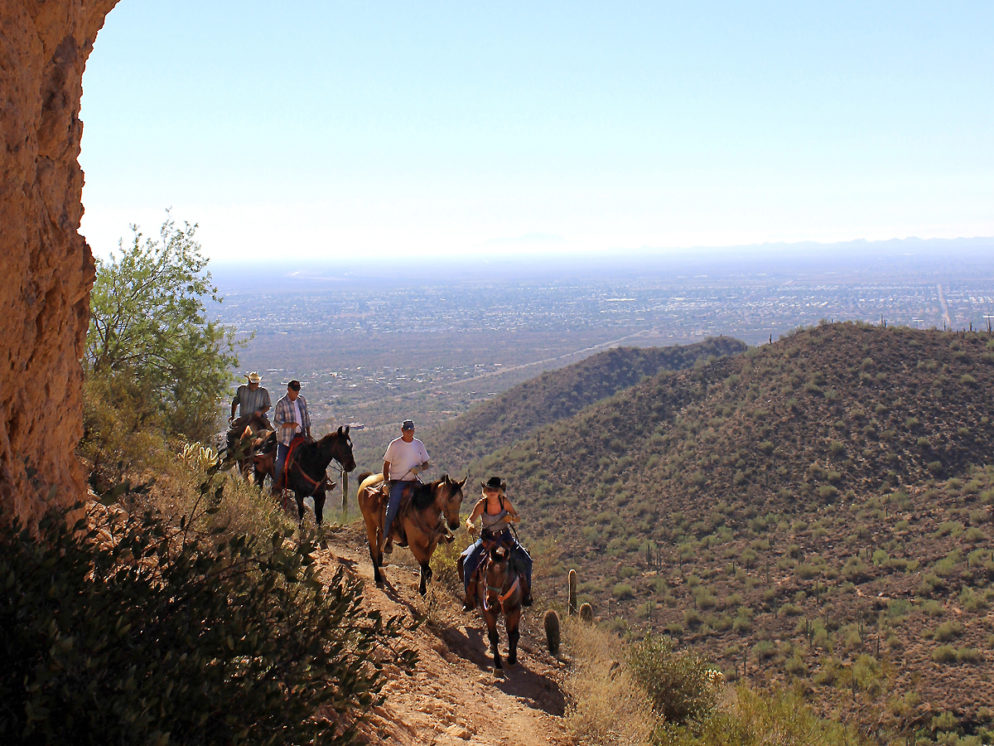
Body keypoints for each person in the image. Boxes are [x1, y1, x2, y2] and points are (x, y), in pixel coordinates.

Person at [460, 476, 533, 610]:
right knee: (468, 562)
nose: (491, 492)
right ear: (485, 491)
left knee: (527, 561)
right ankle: (470, 599)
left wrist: (511, 517)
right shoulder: (482, 504)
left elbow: (517, 517)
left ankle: (526, 594)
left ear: (499, 491)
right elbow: (470, 519)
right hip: (487, 538)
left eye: (494, 489)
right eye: (489, 489)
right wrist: (470, 525)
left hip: (505, 536)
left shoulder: (504, 502)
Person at [381, 419, 430, 553]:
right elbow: (386, 465)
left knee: (429, 500)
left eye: (412, 430)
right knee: (391, 509)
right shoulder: (395, 445)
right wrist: (387, 482)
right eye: (407, 430)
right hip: (398, 481)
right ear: (402, 431)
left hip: (413, 481)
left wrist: (419, 468)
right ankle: (385, 537)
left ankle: (438, 531)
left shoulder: (418, 444)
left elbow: (427, 463)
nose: (410, 432)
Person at [272, 380, 311, 490]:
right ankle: (276, 484)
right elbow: (276, 422)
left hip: (301, 436)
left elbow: (306, 418)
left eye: (298, 391)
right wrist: (289, 425)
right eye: (294, 391)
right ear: (289, 390)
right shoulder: (281, 403)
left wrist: (308, 434)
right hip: (287, 439)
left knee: (315, 454)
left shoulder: (301, 400)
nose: (296, 394)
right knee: (280, 461)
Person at [225, 372, 272, 453]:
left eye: (256, 383)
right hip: (245, 417)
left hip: (259, 418)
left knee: (271, 433)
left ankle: (271, 454)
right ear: (249, 382)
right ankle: (229, 453)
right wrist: (233, 416)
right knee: (231, 432)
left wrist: (260, 412)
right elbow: (235, 403)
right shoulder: (241, 390)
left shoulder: (263, 392)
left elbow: (267, 406)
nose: (254, 385)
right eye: (253, 383)